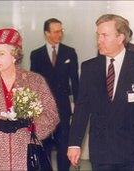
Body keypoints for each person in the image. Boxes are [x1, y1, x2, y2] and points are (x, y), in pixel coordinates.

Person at [67, 14, 134, 171]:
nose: (99, 40)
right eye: (98, 35)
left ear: (120, 38)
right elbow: (82, 109)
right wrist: (74, 143)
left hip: (133, 150)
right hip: (101, 151)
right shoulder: (89, 68)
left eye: (105, 35)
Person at [0, 28, 60, 170]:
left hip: (25, 157)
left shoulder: (35, 81)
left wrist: (31, 125)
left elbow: (52, 115)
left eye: (1, 54)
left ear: (15, 55)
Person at [30, 18, 79, 171]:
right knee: (44, 145)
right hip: (43, 109)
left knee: (63, 143)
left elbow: (75, 81)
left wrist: (78, 106)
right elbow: (33, 83)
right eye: (56, 31)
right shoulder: (36, 54)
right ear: (47, 33)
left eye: (61, 31)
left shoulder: (69, 52)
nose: (60, 34)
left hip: (63, 108)